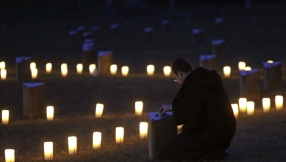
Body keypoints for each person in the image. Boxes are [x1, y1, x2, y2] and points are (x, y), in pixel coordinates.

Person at [158, 58, 236, 161]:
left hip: (214, 134)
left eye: (175, 78)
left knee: (169, 151)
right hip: (227, 131)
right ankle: (215, 151)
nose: (177, 82)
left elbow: (195, 123)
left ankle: (214, 153)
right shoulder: (205, 80)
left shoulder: (192, 89)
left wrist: (183, 130)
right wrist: (172, 108)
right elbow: (200, 106)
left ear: (179, 73)